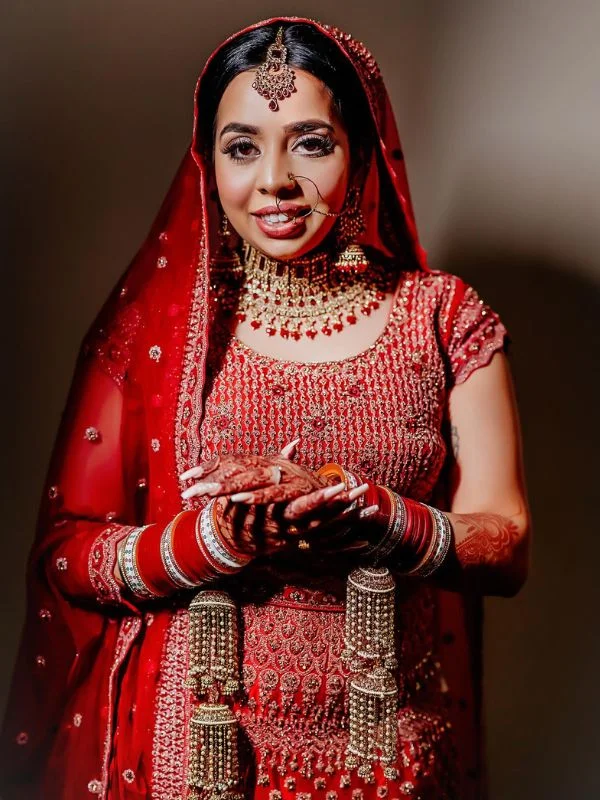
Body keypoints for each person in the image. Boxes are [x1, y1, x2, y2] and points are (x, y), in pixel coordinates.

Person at [0, 16, 531, 800]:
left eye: (311, 142)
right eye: (241, 147)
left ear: (363, 149)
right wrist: (206, 540)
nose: (275, 180)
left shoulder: (444, 318)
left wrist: (382, 519)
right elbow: (64, 555)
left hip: (387, 756)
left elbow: (507, 544)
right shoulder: (157, 329)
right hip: (193, 754)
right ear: (206, 160)